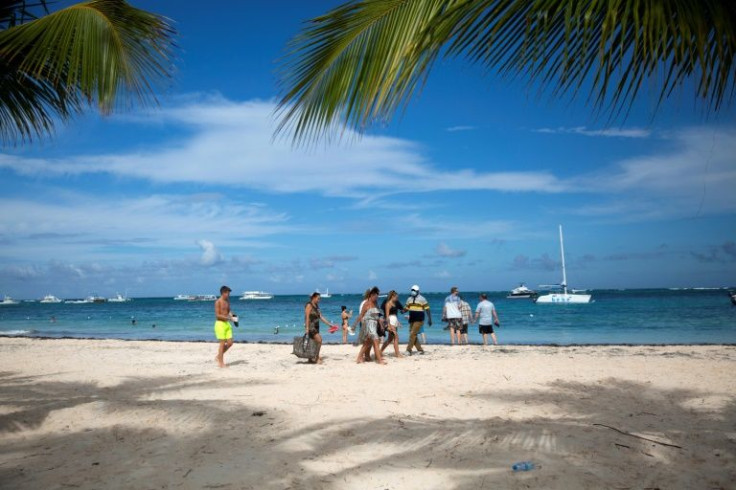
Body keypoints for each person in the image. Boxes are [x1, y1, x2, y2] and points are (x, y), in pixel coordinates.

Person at [352, 286, 387, 364]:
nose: (377, 297)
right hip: (368, 325)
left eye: (377, 296)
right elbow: (361, 315)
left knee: (368, 343)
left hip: (374, 325)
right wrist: (354, 325)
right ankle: (379, 360)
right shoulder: (366, 304)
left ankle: (359, 358)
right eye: (375, 296)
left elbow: (377, 316)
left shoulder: (375, 304)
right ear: (371, 295)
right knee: (376, 340)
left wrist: (381, 325)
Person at [304, 292, 333, 364]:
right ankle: (316, 357)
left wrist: (329, 324)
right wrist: (307, 328)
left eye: (319, 299)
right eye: (318, 298)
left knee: (312, 343)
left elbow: (321, 317)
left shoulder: (316, 306)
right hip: (311, 326)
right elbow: (307, 317)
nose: (319, 300)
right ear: (313, 297)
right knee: (319, 340)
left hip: (316, 326)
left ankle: (310, 359)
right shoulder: (309, 305)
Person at [404, 284, 432, 355]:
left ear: (418, 291)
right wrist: (402, 310)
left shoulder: (422, 299)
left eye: (414, 290)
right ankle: (420, 350)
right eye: (412, 290)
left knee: (412, 334)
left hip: (419, 319)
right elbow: (406, 308)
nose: (413, 291)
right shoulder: (409, 299)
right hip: (411, 319)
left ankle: (408, 350)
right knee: (413, 334)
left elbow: (427, 309)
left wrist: (429, 319)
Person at [214, 285, 236, 368]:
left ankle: (218, 356)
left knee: (230, 343)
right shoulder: (218, 302)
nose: (229, 295)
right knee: (222, 344)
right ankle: (221, 363)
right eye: (228, 293)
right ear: (223, 293)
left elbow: (229, 311)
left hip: (227, 324)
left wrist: (234, 317)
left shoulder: (227, 301)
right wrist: (228, 318)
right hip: (220, 324)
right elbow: (217, 315)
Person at [380, 290, 404, 358]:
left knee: (390, 339)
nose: (397, 298)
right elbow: (387, 316)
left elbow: (394, 314)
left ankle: (380, 352)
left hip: (394, 322)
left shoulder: (394, 303)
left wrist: (398, 322)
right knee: (396, 337)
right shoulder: (388, 304)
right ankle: (397, 354)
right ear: (392, 296)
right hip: (390, 323)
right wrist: (389, 325)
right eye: (396, 297)